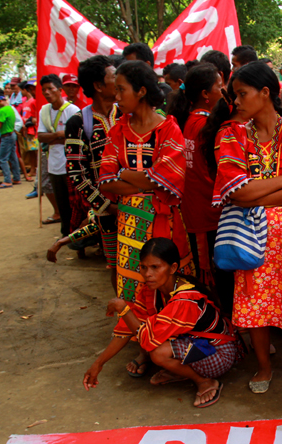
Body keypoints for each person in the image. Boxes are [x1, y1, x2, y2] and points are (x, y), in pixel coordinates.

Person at [204, 61, 282, 393]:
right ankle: (264, 367)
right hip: (250, 236)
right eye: (235, 95)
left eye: (242, 94)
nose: (236, 101)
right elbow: (238, 190)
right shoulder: (229, 133)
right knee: (255, 300)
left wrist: (256, 196)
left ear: (265, 93)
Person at [83, 238, 239, 408]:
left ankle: (204, 382)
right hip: (197, 345)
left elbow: (146, 339)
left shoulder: (185, 300)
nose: (148, 273)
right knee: (147, 334)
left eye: (155, 267)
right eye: (143, 267)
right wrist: (98, 364)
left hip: (219, 354)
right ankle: (182, 371)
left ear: (173, 268)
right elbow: (125, 329)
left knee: (157, 353)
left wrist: (123, 308)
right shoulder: (151, 290)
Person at [99, 60, 195, 313]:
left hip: (164, 220)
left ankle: (170, 332)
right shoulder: (118, 130)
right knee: (134, 277)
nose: (116, 96)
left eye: (121, 90)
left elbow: (171, 179)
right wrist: (149, 181)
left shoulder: (168, 128)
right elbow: (106, 181)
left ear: (141, 91)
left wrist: (124, 172)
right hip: (130, 221)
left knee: (166, 278)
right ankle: (141, 336)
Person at [166, 62, 234, 313]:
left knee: (214, 274)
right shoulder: (207, 126)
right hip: (211, 214)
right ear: (206, 95)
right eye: (220, 86)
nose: (223, 90)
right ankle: (228, 330)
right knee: (221, 276)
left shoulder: (186, 122)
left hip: (198, 212)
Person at [65, 55, 122, 287]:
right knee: (117, 264)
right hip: (107, 211)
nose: (118, 82)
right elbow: (76, 174)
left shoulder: (127, 114)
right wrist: (106, 207)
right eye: (113, 78)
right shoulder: (78, 123)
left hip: (138, 203)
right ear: (98, 86)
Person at [38, 74, 80, 236]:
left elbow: (74, 137)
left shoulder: (72, 110)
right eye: (44, 90)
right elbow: (41, 137)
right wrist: (60, 135)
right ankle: (66, 234)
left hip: (70, 165)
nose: (47, 93)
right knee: (61, 204)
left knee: (75, 203)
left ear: (60, 90)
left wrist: (53, 136)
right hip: (54, 165)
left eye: (50, 89)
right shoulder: (44, 110)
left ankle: (78, 235)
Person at [0, 91, 22, 189]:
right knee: (13, 157)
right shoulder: (10, 108)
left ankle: (7, 180)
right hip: (12, 134)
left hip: (6, 136)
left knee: (2, 159)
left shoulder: (2, 110)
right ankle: (17, 178)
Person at [18, 82, 39, 185]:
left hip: (33, 130)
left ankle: (37, 169)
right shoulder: (25, 102)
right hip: (27, 130)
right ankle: (33, 169)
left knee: (36, 150)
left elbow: (36, 116)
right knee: (30, 150)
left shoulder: (34, 101)